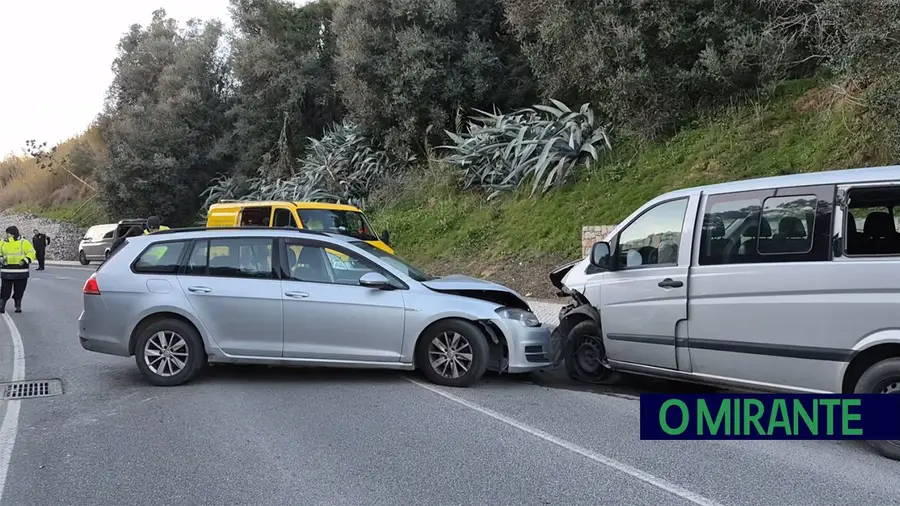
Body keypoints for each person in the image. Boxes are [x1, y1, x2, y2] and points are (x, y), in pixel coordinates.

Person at [0, 226, 36, 314]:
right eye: (7, 233)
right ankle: (2, 305)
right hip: (7, 271)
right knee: (5, 290)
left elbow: (31, 252)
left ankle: (18, 304)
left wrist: (25, 260)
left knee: (19, 290)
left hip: (21, 271)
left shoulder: (24, 242)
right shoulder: (2, 243)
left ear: (14, 233)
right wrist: (1, 259)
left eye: (9, 233)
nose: (7, 235)